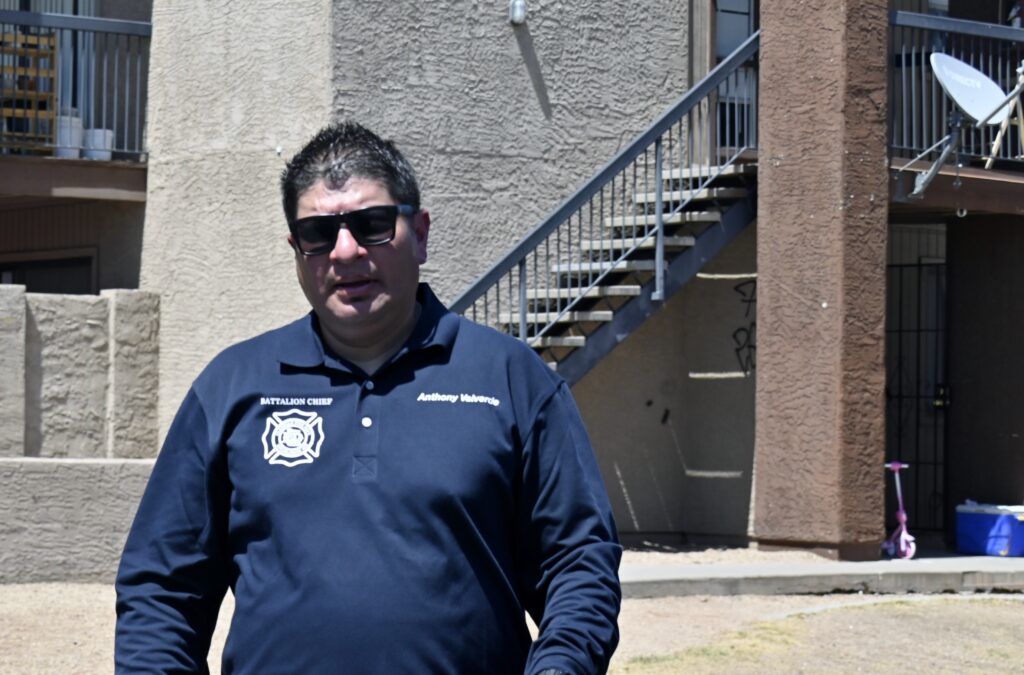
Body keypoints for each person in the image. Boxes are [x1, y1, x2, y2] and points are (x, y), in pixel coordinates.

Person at [115, 121, 622, 674]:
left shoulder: (510, 380)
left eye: (373, 225)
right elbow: (162, 586)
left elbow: (577, 563)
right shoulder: (232, 387)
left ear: (420, 233)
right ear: (296, 248)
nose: (345, 251)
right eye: (318, 233)